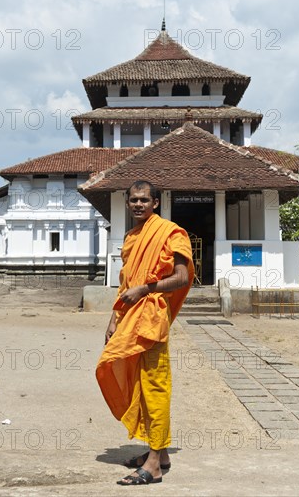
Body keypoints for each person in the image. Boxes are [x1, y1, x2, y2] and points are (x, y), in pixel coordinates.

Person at [96, 180, 194, 486]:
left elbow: (181, 277)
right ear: (128, 203)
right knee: (138, 381)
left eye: (144, 200)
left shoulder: (170, 232)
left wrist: (145, 289)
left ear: (156, 203)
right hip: (130, 316)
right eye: (133, 200)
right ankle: (160, 454)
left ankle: (153, 466)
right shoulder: (131, 238)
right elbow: (126, 284)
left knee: (155, 386)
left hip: (151, 317)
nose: (138, 205)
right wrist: (113, 319)